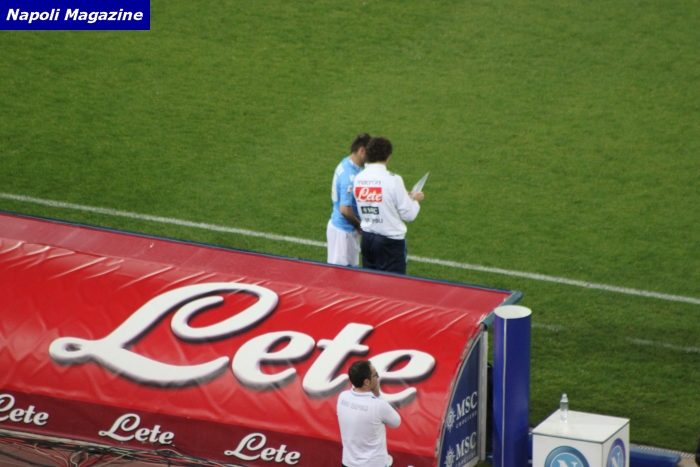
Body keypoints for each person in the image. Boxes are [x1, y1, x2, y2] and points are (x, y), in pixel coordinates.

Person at [353, 137, 424, 275]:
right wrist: (415, 201)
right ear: (388, 156)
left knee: (370, 283)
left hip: (367, 239)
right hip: (390, 243)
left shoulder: (358, 178)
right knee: (393, 285)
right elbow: (409, 215)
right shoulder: (393, 180)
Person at [337, 360, 401, 467]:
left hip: (348, 463)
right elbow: (396, 422)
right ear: (367, 382)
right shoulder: (378, 405)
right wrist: (378, 394)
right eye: (375, 375)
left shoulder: (342, 397)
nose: (377, 378)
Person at [327, 134, 371, 267]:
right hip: (343, 233)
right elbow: (345, 210)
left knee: (349, 273)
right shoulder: (350, 177)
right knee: (342, 275)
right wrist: (359, 224)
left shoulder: (347, 163)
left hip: (342, 229)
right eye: (370, 153)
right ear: (362, 150)